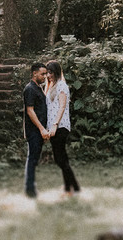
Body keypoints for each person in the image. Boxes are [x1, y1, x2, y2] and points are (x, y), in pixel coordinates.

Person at [44, 59, 81, 195]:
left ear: (57, 72)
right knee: (61, 158)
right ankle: (68, 187)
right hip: (54, 127)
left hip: (60, 126)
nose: (48, 75)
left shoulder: (61, 86)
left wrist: (54, 125)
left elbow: (62, 106)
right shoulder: (52, 86)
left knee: (60, 159)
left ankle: (74, 187)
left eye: (51, 72)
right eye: (47, 72)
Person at [22, 62, 50, 198]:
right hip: (34, 131)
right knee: (32, 159)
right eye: (43, 74)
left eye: (46, 74)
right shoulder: (30, 89)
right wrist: (41, 129)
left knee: (34, 158)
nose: (45, 76)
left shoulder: (38, 88)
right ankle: (30, 190)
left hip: (39, 130)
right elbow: (30, 111)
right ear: (34, 73)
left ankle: (30, 187)